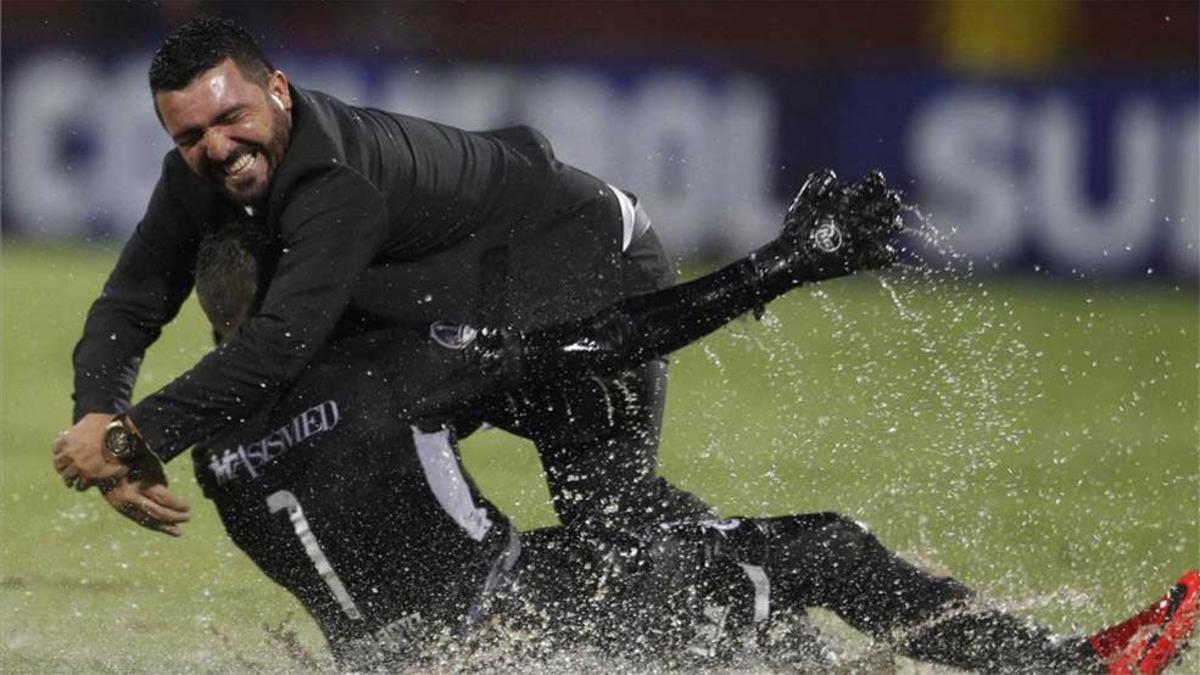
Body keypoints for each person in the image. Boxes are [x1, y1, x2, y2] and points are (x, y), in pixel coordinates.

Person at [110, 178, 1197, 674]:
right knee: (813, 551)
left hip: (399, 658)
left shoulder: (213, 450)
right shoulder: (393, 364)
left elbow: (373, 485)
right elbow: (607, 343)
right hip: (516, 646)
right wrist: (789, 264)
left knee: (708, 580)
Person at [52, 15, 714, 549]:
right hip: (464, 297)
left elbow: (279, 343)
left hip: (584, 269)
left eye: (231, 118)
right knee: (346, 434)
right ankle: (455, 623)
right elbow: (131, 301)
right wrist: (99, 413)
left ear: (278, 89)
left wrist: (126, 441)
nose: (218, 147)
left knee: (613, 520)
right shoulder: (195, 181)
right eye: (191, 134)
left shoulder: (337, 182)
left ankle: (781, 600)